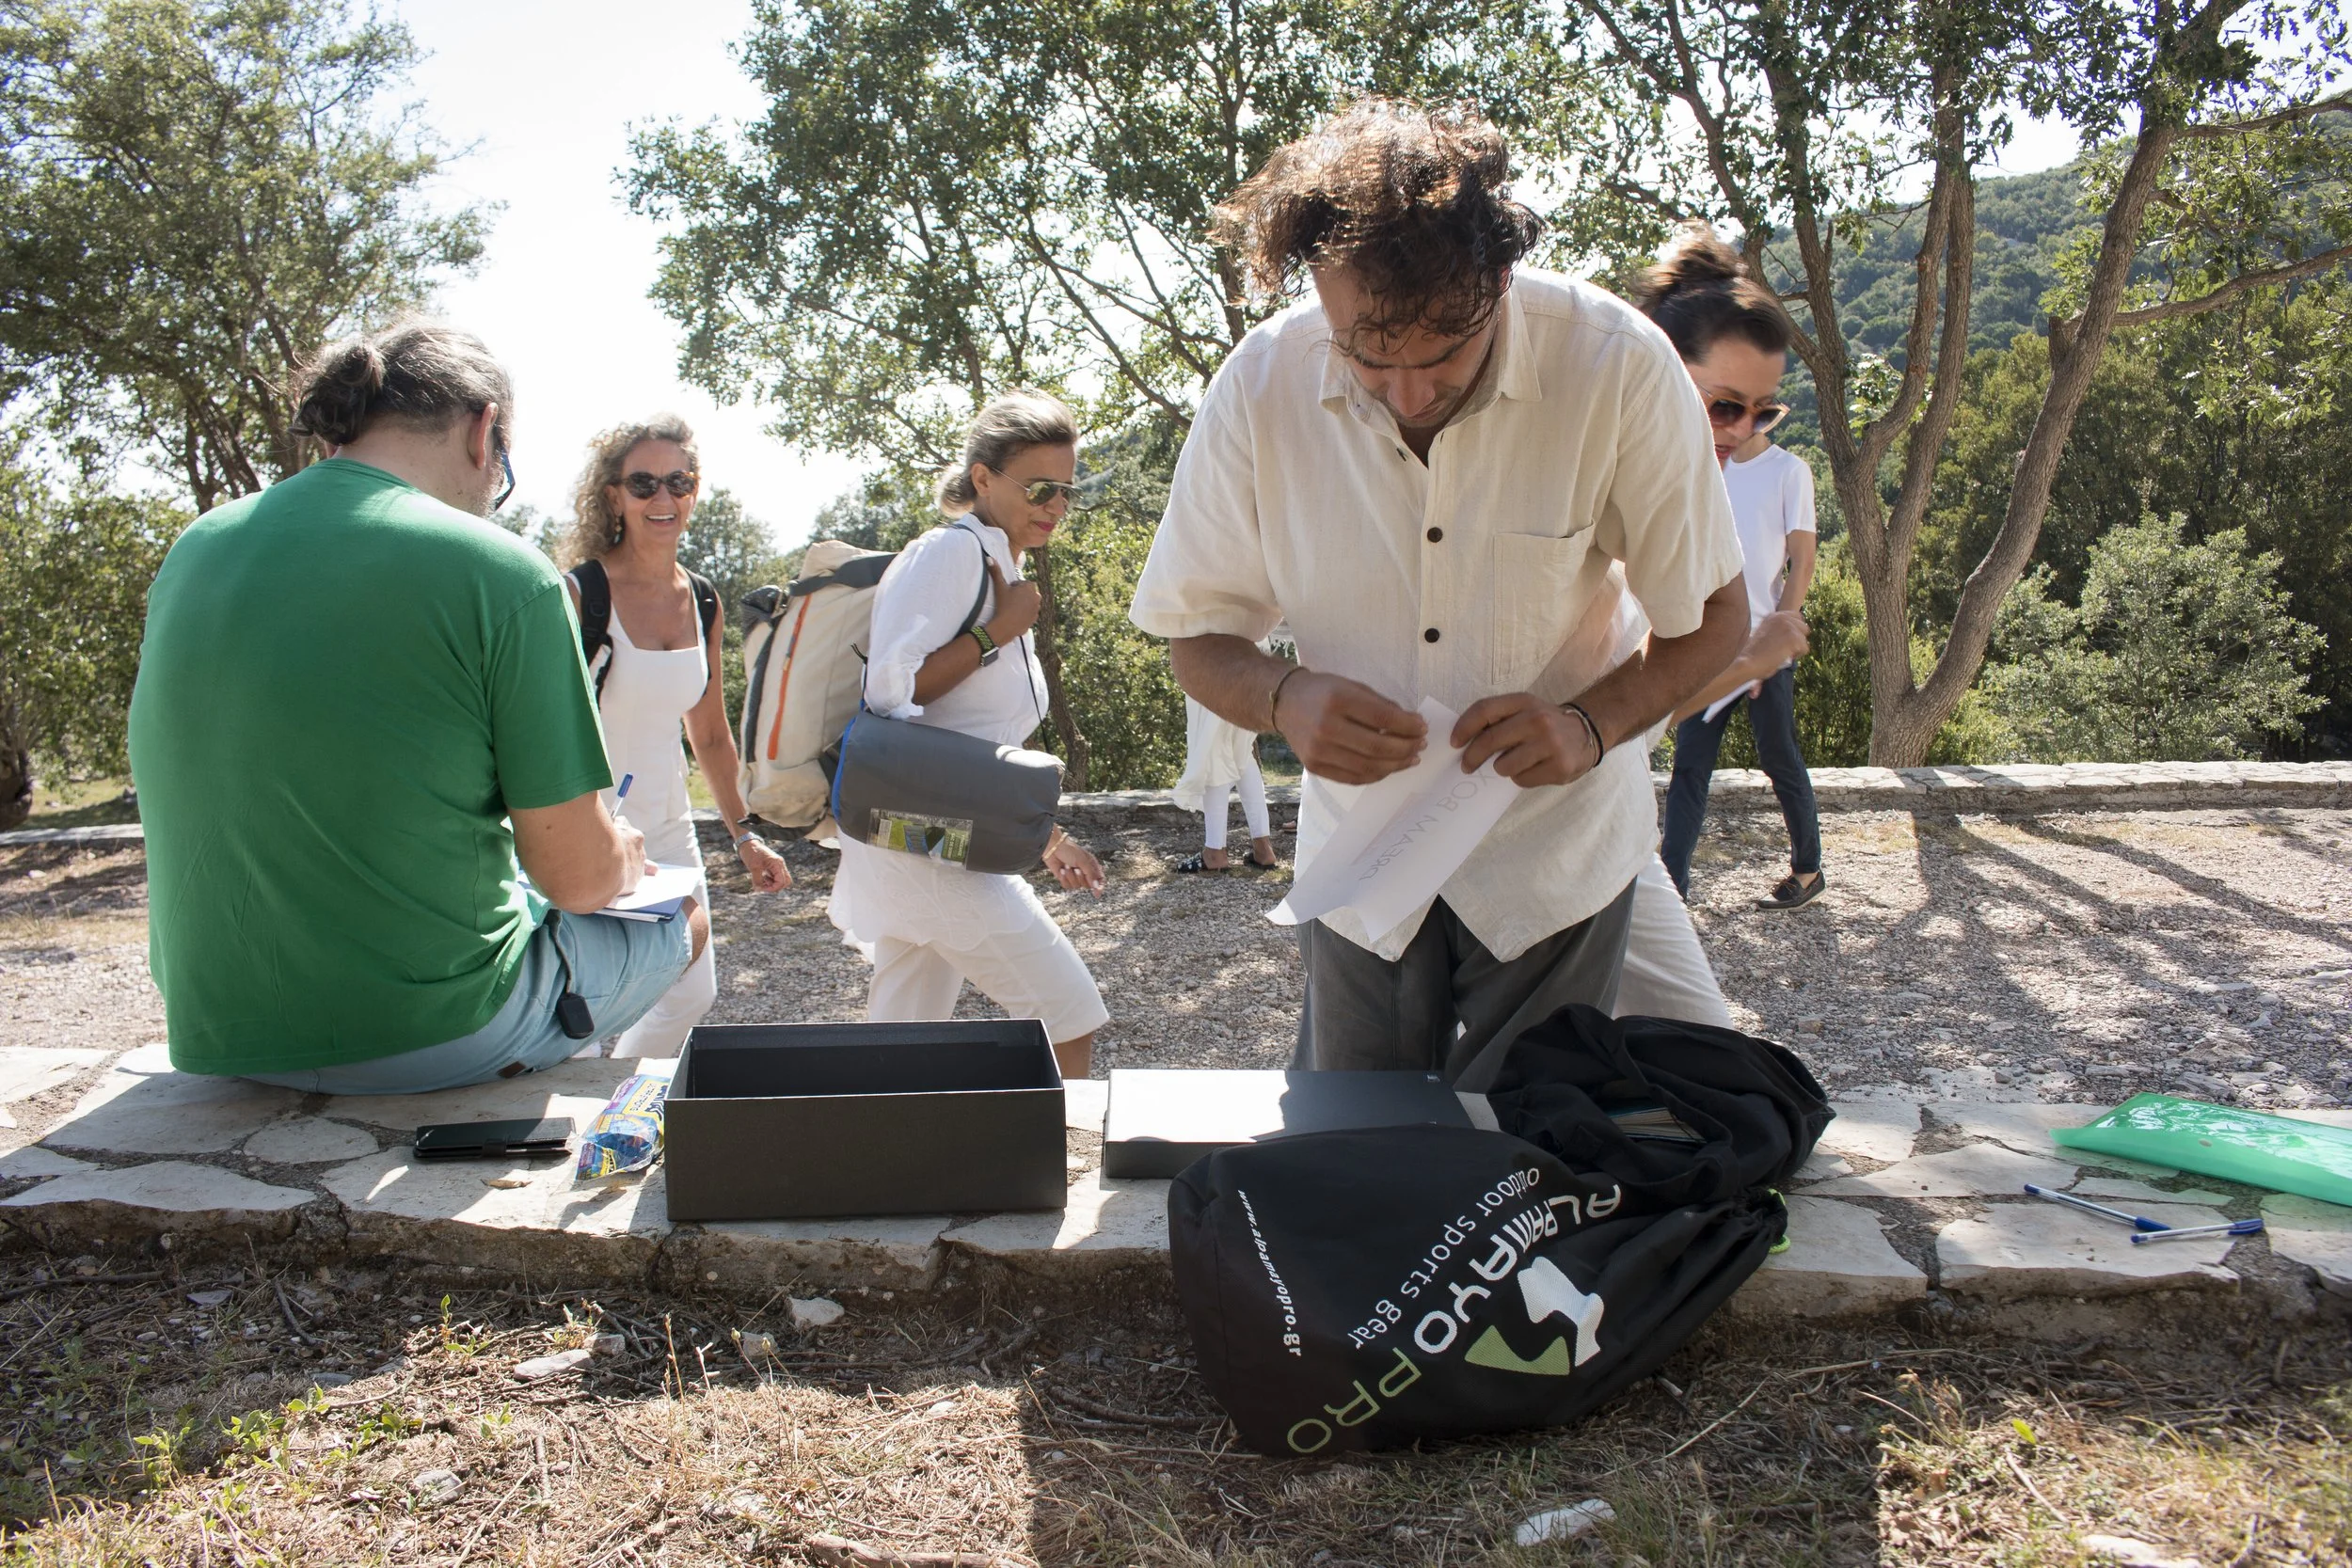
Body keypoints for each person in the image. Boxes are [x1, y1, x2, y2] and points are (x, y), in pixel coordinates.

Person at [1131, 101, 1747, 1081]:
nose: (1409, 393)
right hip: (1359, 863)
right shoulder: (1257, 387)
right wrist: (1283, 697)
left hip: (1554, 859)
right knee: (1355, 1151)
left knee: (1526, 1164)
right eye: (1367, 357)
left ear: (1499, 280)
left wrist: (1587, 726)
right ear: (1318, 294)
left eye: (1445, 354)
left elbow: (1716, 616)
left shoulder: (1616, 365)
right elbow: (1195, 636)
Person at [128, 322, 703, 1094]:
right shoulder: (504, 572)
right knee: (684, 918)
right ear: (483, 431)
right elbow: (576, 878)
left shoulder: (197, 546)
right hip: (431, 1032)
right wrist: (623, 854)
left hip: (219, 1030)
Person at [827, 391, 1111, 1080]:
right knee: (1067, 1014)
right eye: (1039, 486)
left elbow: (972, 740)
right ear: (982, 477)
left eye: (1066, 491)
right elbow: (891, 691)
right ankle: (1042, 1171)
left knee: (901, 1036)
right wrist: (998, 631)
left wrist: (1041, 837)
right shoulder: (951, 555)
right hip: (930, 848)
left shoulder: (997, 564)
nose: (1055, 505)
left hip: (923, 836)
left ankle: (879, 1165)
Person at [558, 416, 793, 1057]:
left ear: (694, 490)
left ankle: (618, 1110)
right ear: (614, 496)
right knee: (578, 1010)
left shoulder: (705, 600)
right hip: (583, 824)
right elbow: (540, 727)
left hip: (667, 824)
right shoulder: (581, 595)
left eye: (678, 482)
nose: (663, 499)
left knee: (691, 992)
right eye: (643, 483)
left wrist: (745, 835)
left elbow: (711, 735)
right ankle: (577, 1133)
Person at [1641, 225, 1825, 911]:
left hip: (1758, 639)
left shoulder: (1781, 472)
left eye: (1762, 410)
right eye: (1725, 405)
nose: (1743, 427)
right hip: (1714, 643)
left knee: (1781, 762)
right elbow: (1632, 719)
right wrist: (1742, 657)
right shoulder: (1648, 487)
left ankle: (1808, 867)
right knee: (1691, 769)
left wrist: (1770, 642)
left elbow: (1800, 555)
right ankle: (1674, 884)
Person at [1170, 693, 1279, 873]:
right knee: (1242, 749)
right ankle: (1263, 849)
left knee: (1212, 745)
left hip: (1215, 674)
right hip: (1246, 679)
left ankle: (1214, 852)